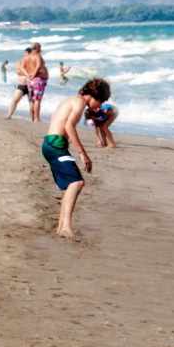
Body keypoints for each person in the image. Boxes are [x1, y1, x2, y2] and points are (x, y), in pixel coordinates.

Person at [41, 77, 108, 237]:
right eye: (101, 101)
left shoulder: (70, 100)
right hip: (55, 145)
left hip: (51, 144)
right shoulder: (79, 102)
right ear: (94, 96)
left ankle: (61, 227)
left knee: (72, 184)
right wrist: (83, 154)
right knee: (77, 182)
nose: (99, 106)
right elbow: (68, 125)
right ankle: (65, 228)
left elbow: (58, 121)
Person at [5, 46, 36, 119]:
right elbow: (18, 72)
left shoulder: (34, 63)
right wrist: (28, 73)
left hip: (31, 85)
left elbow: (35, 73)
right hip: (22, 85)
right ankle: (9, 115)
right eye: (30, 54)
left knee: (32, 104)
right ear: (26, 53)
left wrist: (27, 72)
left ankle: (33, 120)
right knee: (14, 100)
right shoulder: (20, 62)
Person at [27, 43, 49, 122]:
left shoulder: (29, 57)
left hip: (31, 81)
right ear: (37, 48)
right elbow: (38, 66)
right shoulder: (37, 56)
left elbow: (25, 67)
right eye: (40, 47)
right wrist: (34, 75)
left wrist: (30, 76)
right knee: (37, 100)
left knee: (32, 100)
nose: (41, 49)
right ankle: (37, 118)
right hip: (38, 80)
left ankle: (32, 118)